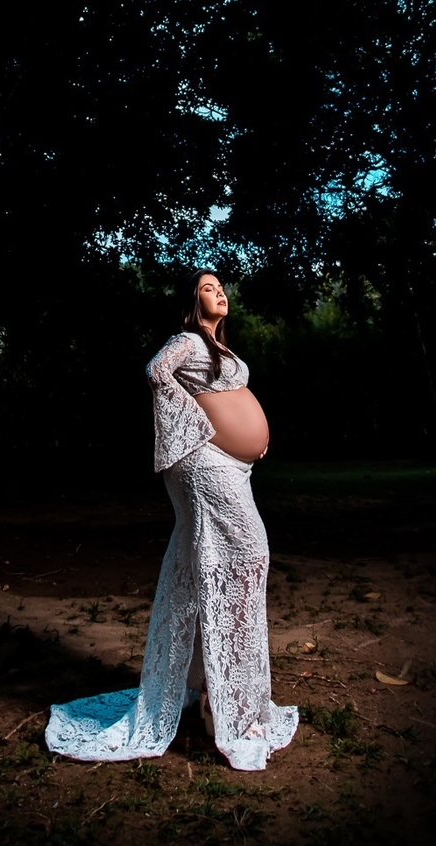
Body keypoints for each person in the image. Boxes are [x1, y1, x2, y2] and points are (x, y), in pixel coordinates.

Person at [44, 271, 298, 771]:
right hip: (202, 461)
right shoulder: (185, 340)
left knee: (208, 569)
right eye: (208, 287)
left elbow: (231, 401)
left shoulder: (222, 350)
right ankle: (226, 704)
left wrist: (250, 440)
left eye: (222, 286)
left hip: (230, 465)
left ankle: (209, 694)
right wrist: (205, 431)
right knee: (248, 557)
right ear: (191, 301)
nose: (219, 292)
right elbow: (157, 373)